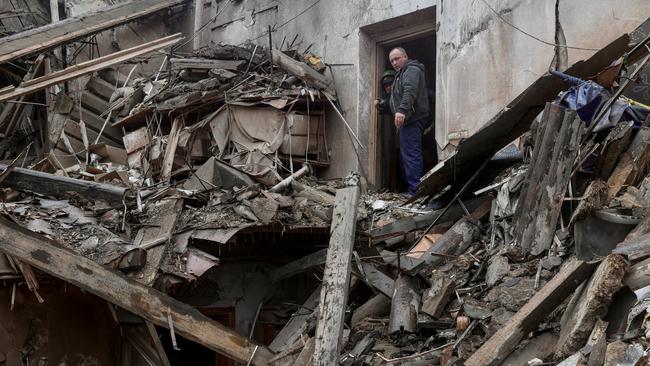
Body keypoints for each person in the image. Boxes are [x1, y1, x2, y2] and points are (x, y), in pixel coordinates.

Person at [387, 47, 430, 196]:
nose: (394, 62)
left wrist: (402, 110)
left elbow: (410, 90)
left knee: (411, 155)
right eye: (391, 60)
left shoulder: (411, 70)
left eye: (397, 58)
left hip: (413, 119)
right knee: (408, 155)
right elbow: (397, 97)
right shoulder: (401, 74)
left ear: (405, 56)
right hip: (408, 121)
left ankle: (415, 191)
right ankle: (414, 189)